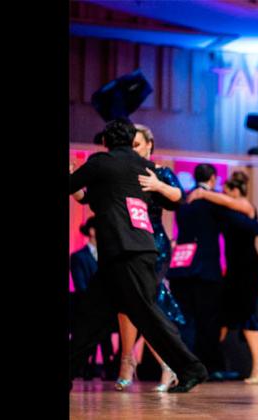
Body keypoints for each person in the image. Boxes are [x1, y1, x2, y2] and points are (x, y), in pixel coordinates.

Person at [69, 118, 207, 393]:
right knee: (91, 317)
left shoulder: (101, 163)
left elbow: (79, 190)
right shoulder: (144, 167)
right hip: (135, 250)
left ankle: (191, 368)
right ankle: (188, 368)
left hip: (125, 251)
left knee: (145, 314)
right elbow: (175, 200)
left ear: (106, 141)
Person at [112, 123, 188, 392]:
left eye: (136, 145)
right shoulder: (121, 171)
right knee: (127, 303)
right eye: (129, 145)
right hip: (125, 243)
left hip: (154, 244)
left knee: (141, 303)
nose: (131, 150)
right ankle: (131, 362)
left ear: (149, 146)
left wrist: (157, 184)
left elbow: (180, 196)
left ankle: (155, 365)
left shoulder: (160, 172)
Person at [186, 170, 258, 384]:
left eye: (225, 192)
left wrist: (204, 194)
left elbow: (234, 206)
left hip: (248, 271)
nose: (222, 196)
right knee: (223, 317)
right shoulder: (228, 210)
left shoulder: (245, 205)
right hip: (233, 271)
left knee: (246, 314)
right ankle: (206, 364)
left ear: (234, 191)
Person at [70, 216, 118, 380]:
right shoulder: (78, 257)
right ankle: (103, 366)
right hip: (88, 307)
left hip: (110, 307)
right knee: (98, 321)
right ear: (92, 231)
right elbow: (80, 286)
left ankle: (116, 363)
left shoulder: (110, 256)